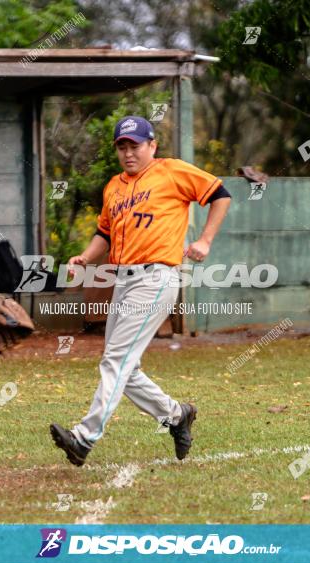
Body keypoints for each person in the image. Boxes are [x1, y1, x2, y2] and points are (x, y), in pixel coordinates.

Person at [50, 116, 232, 466]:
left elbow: (220, 195)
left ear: (152, 146)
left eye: (135, 145)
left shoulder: (173, 171)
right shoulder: (113, 187)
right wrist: (85, 258)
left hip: (156, 277)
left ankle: (84, 438)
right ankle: (177, 415)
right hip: (123, 279)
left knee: (115, 361)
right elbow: (104, 233)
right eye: (122, 146)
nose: (128, 152)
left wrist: (205, 240)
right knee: (125, 368)